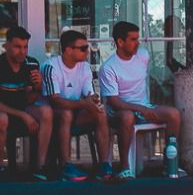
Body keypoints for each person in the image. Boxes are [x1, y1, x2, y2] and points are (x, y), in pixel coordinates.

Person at [99, 21, 185, 179]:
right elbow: (113, 101)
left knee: (174, 114)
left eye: (137, 39)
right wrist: (140, 109)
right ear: (120, 42)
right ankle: (125, 166)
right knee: (127, 116)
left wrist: (144, 108)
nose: (137, 43)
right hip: (118, 111)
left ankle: (170, 163)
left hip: (143, 107)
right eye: (133, 39)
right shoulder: (109, 67)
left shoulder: (143, 55)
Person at [0, 28, 53, 181]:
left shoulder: (31, 63)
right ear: (6, 46)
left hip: (23, 108)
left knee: (46, 112)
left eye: (25, 47)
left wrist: (37, 87)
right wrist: (23, 115)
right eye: (17, 47)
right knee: (2, 119)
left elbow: (29, 99)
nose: (22, 51)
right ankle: (1, 168)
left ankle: (39, 167)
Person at [43, 29, 114, 182]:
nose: (87, 52)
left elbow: (88, 94)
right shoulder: (51, 66)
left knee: (100, 112)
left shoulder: (85, 67)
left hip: (76, 110)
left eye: (87, 48)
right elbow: (54, 100)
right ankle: (66, 165)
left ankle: (104, 165)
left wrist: (93, 100)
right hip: (51, 115)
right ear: (68, 50)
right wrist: (84, 103)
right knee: (66, 113)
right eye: (82, 49)